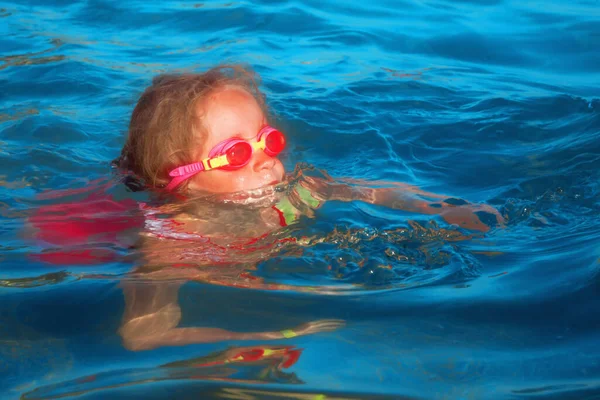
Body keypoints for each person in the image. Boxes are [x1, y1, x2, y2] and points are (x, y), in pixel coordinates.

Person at [113, 64, 504, 351]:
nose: (265, 160)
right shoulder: (172, 244)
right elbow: (142, 334)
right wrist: (249, 339)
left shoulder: (295, 193)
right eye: (236, 154)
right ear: (180, 178)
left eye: (266, 140)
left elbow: (370, 191)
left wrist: (442, 207)